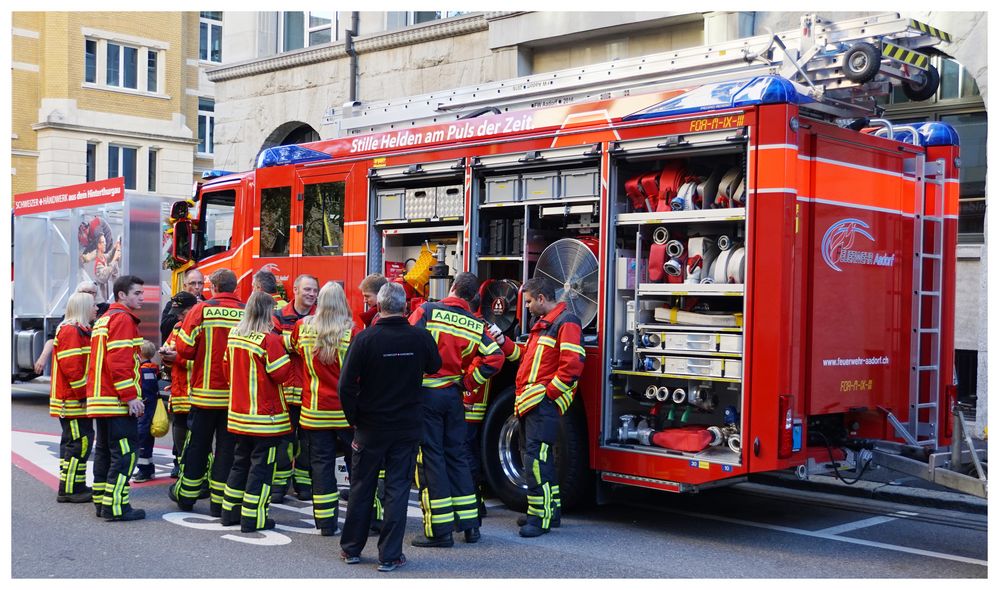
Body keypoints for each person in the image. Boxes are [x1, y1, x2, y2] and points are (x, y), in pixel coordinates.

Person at [339, 282, 441, 572]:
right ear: (405, 306)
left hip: (370, 426)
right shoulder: (420, 337)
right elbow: (435, 366)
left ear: (378, 307)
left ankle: (351, 549)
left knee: (361, 486)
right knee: (397, 490)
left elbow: (345, 386)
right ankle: (390, 556)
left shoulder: (365, 339)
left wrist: (354, 417)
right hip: (406, 427)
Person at [407, 272, 504, 547]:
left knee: (431, 460)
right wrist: (466, 381)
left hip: (426, 394)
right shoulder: (475, 324)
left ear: (451, 288)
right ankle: (470, 525)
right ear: (473, 297)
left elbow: (409, 343)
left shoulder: (426, 311)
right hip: (453, 396)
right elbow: (495, 357)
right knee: (458, 456)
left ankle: (440, 532)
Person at [513, 278, 585, 537]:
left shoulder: (566, 322)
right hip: (531, 403)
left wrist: (548, 395)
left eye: (530, 301)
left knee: (536, 462)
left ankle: (539, 518)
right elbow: (529, 360)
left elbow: (573, 365)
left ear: (542, 298)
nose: (528, 306)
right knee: (537, 459)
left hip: (541, 403)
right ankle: (549, 511)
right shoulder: (543, 325)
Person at [170, 268, 245, 515]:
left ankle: (188, 497)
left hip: (204, 393)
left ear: (212, 287)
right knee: (226, 449)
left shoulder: (201, 310)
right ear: (234, 287)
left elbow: (185, 348)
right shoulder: (245, 312)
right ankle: (219, 503)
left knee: (198, 446)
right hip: (234, 396)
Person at [219, 292, 294, 533]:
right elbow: (282, 374)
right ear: (267, 312)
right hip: (265, 417)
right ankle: (253, 517)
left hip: (239, 414)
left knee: (240, 463)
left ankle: (229, 511)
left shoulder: (234, 335)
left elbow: (225, 368)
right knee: (262, 468)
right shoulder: (269, 340)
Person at [290, 281, 358, 536]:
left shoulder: (302, 327)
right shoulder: (353, 332)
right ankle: (367, 517)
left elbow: (293, 349)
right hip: (345, 413)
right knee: (357, 465)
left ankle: (326, 523)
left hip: (314, 411)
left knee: (321, 467)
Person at [86, 274, 147, 521]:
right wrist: (130, 396)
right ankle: (117, 507)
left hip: (101, 399)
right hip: (115, 400)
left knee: (104, 452)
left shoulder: (105, 318)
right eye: (137, 293)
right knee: (125, 454)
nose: (142, 297)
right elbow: (120, 361)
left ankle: (102, 503)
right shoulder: (123, 319)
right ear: (122, 294)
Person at [463, 310, 521, 518]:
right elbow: (514, 356)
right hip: (475, 398)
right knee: (468, 450)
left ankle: (473, 504)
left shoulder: (472, 324)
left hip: (468, 400)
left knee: (465, 452)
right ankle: (475, 501)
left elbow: (482, 361)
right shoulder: (484, 323)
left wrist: (466, 389)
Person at [271, 274, 319, 503]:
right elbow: (272, 345)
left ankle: (304, 484)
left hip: (310, 389)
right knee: (284, 439)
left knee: (308, 440)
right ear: (295, 290)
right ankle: (279, 485)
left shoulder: (321, 317)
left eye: (314, 290)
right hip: (284, 388)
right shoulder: (279, 316)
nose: (311, 294)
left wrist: (290, 342)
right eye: (307, 289)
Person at [49, 291, 98, 503]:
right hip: (73, 401)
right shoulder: (71, 331)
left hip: (74, 399)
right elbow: (73, 370)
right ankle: (70, 489)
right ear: (83, 308)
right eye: (93, 305)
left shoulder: (79, 330)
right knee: (79, 443)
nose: (96, 309)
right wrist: (83, 396)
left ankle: (74, 485)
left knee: (76, 442)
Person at [158, 291, 199, 478]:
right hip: (179, 391)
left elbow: (204, 360)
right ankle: (180, 465)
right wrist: (166, 356)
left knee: (196, 438)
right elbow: (170, 347)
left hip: (196, 392)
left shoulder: (201, 328)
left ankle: (193, 473)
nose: (180, 316)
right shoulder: (177, 327)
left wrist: (178, 359)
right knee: (179, 432)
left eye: (183, 313)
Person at [34, 281, 106, 375]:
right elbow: (72, 368)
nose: (88, 295)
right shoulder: (70, 325)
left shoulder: (104, 309)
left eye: (92, 292)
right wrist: (43, 357)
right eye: (84, 292)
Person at [133, 340, 161, 483]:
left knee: (142, 441)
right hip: (149, 411)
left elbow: (144, 393)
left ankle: (144, 471)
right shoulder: (152, 369)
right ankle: (148, 469)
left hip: (144, 412)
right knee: (147, 441)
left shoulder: (144, 370)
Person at [161, 268, 205, 342]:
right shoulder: (173, 304)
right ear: (185, 286)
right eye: (193, 283)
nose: (197, 287)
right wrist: (184, 313)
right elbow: (164, 328)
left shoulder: (207, 304)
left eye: (200, 283)